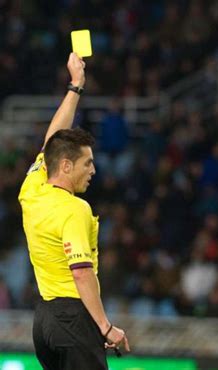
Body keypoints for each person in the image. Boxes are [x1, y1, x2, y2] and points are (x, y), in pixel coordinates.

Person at [18, 53, 130, 370]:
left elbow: (52, 142)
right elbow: (81, 273)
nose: (93, 170)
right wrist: (105, 326)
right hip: (75, 318)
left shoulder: (31, 190)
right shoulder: (74, 209)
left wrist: (76, 86)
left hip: (44, 321)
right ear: (66, 166)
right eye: (87, 163)